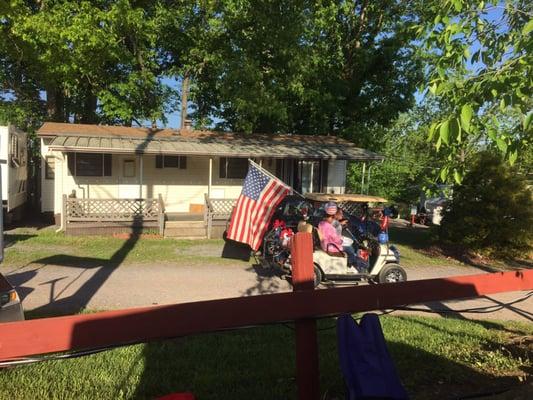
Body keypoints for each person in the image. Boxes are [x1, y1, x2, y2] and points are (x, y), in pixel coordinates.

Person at [318, 202, 357, 267]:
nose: (333, 220)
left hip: (325, 244)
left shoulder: (321, 223)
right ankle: (351, 265)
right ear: (333, 216)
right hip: (330, 247)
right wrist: (342, 241)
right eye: (332, 218)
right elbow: (337, 240)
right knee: (350, 249)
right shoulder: (330, 227)